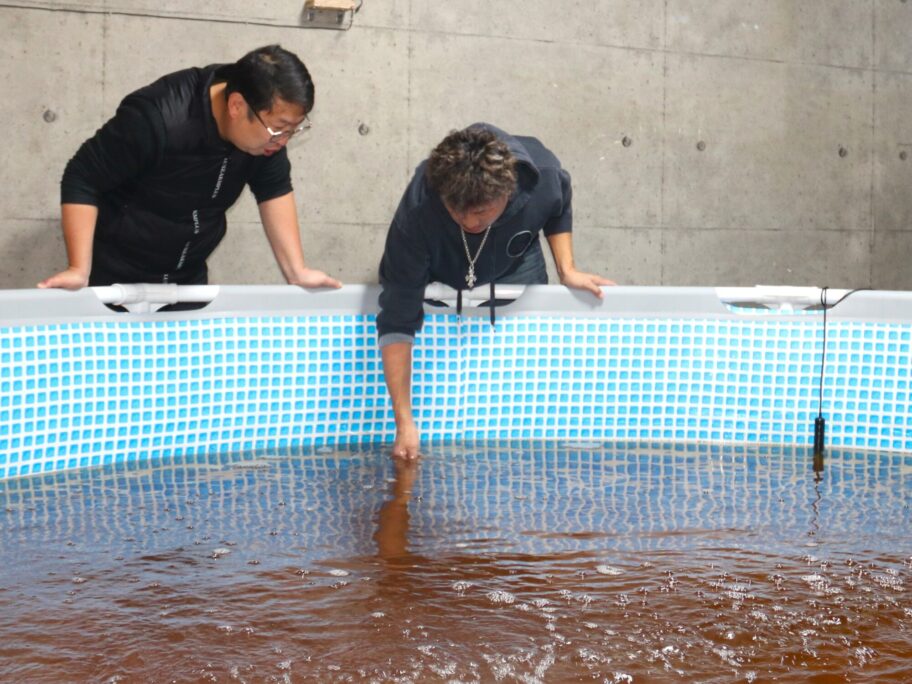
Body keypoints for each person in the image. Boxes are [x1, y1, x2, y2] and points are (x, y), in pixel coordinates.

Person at [376, 123, 614, 460]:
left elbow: (558, 208)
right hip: (441, 265)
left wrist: (567, 269)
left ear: (508, 190)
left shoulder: (543, 176)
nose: (469, 222)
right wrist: (404, 423)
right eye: (457, 211)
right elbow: (397, 317)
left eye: (480, 213)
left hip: (516, 260)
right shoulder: (419, 207)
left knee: (529, 363)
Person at [38, 44, 340, 291]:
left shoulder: (265, 138)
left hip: (187, 279)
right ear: (236, 106)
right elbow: (83, 177)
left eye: (292, 130)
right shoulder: (157, 119)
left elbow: (273, 189)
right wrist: (78, 269)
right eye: (280, 128)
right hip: (116, 274)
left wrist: (297, 271)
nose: (283, 140)